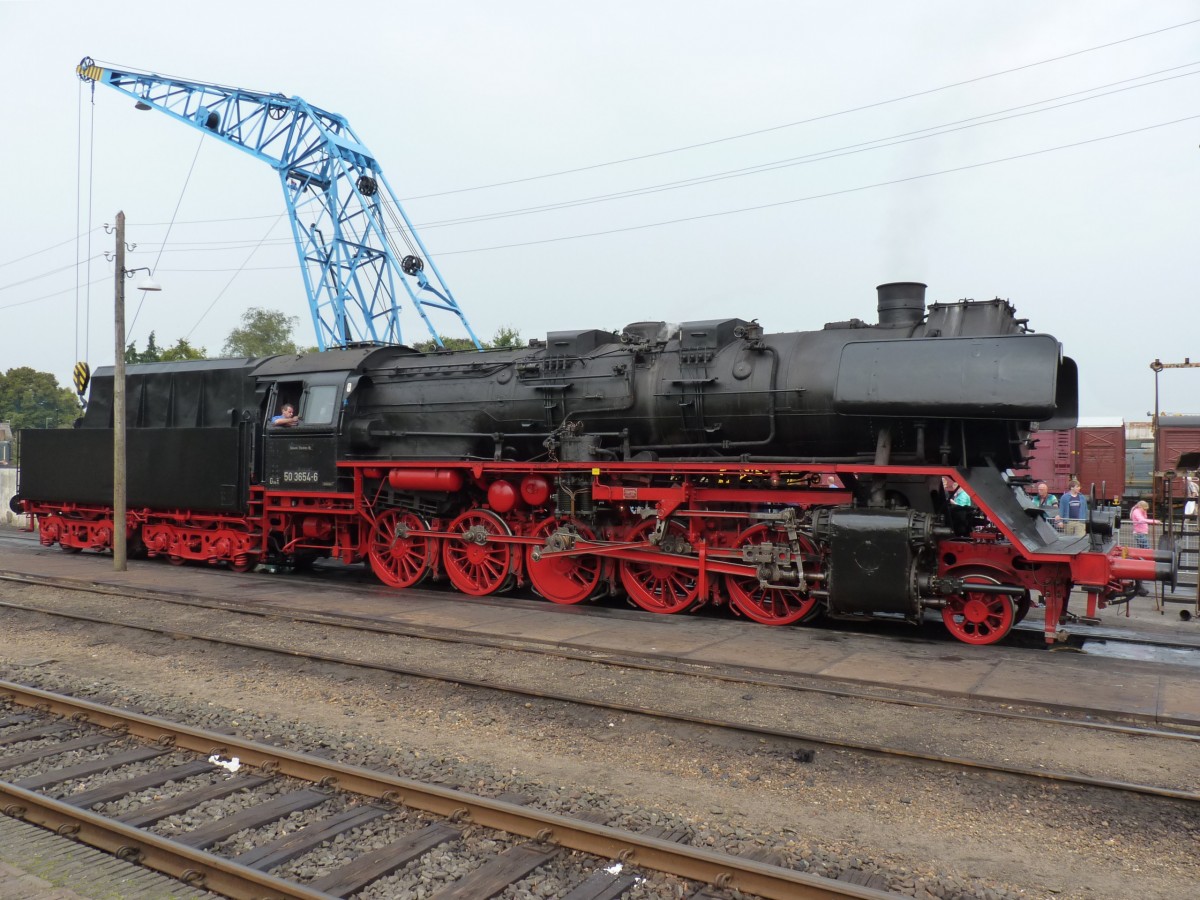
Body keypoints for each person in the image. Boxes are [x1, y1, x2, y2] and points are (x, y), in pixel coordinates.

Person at [1129, 499, 1158, 597]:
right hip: (1140, 534)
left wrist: (1144, 513)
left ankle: (1143, 565)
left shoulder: (1138, 511)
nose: (1145, 511)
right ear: (1140, 507)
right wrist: (1153, 521)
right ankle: (1148, 566)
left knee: (1143, 552)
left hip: (1141, 533)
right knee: (1147, 551)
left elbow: (1143, 518)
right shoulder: (1137, 512)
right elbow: (1141, 520)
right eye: (1144, 509)